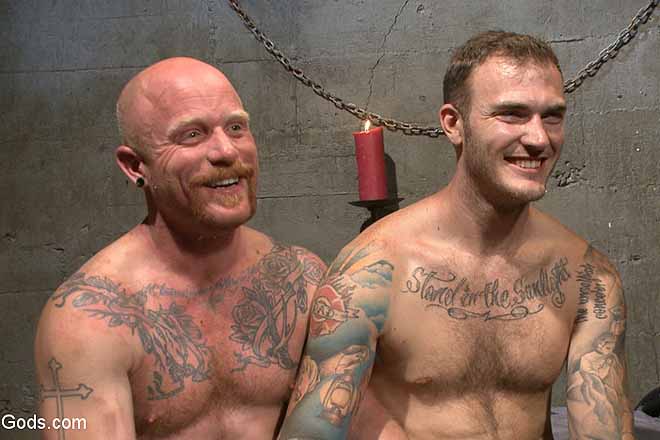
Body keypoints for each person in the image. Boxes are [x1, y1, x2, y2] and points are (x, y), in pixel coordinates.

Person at [278, 31, 634, 439]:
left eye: (552, 116)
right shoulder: (374, 269)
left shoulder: (587, 277)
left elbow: (603, 429)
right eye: (512, 114)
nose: (539, 139)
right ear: (453, 124)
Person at [34, 57, 326, 439]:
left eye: (236, 128)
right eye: (192, 135)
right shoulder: (91, 317)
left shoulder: (301, 282)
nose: (226, 151)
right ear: (135, 166)